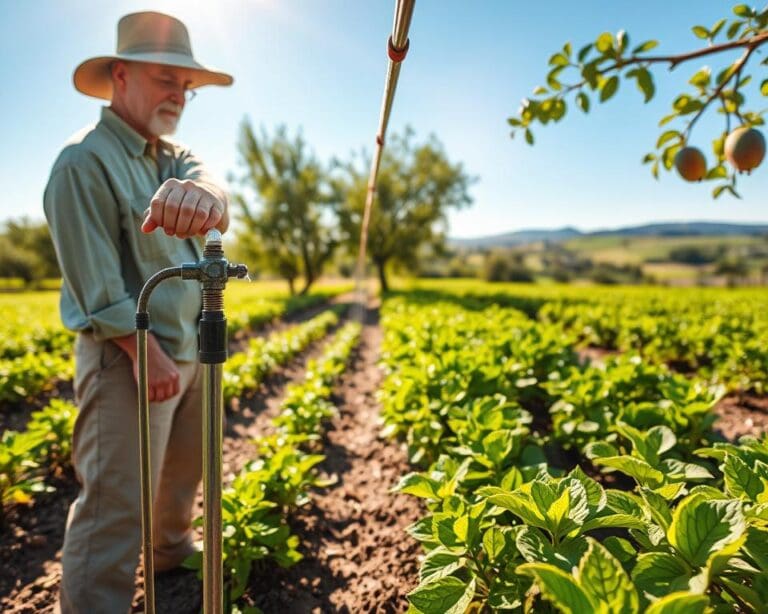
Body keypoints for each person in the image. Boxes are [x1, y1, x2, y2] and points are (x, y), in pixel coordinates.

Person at [43, 11, 234, 613]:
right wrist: (143, 352)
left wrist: (210, 194)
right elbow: (97, 288)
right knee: (116, 505)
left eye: (186, 87)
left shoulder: (170, 155)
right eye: (164, 79)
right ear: (120, 75)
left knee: (180, 481)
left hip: (187, 346)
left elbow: (207, 179)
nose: (178, 95)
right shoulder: (83, 162)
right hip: (127, 359)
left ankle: (172, 561)